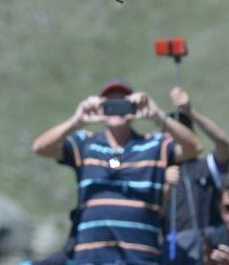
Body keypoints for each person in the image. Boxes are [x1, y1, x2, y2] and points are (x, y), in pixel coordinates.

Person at [32, 79, 202, 264]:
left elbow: (195, 148)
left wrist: (158, 116)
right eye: (110, 104)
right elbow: (41, 148)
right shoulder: (86, 145)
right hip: (92, 258)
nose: (116, 110)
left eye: (123, 104)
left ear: (134, 108)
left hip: (139, 258)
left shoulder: (154, 145)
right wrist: (76, 121)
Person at [162, 86, 229, 263]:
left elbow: (223, 143)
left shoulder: (207, 166)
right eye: (171, 134)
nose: (177, 139)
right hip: (175, 248)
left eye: (183, 133)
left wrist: (190, 112)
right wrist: (166, 185)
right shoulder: (157, 173)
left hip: (210, 245)